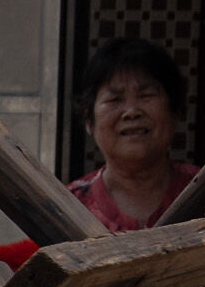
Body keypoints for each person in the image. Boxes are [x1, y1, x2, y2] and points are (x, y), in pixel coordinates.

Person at [69, 36, 194, 233]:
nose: (131, 112)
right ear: (88, 120)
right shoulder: (70, 208)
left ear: (175, 112)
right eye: (114, 99)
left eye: (146, 96)